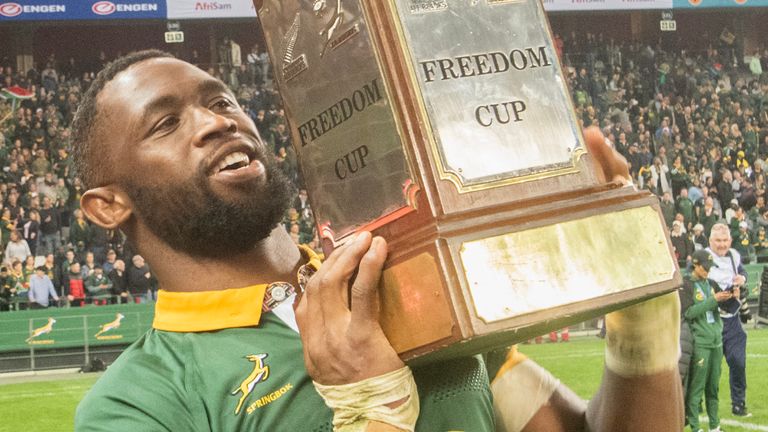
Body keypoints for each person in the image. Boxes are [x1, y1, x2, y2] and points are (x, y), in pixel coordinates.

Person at [73, 51, 683, 431]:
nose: (217, 121)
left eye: (221, 101)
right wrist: (375, 414)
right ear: (108, 205)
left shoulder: (406, 284)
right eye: (166, 122)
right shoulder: (134, 404)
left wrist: (642, 312)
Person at [682, 250, 733, 432]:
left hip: (716, 342)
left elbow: (726, 305)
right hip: (700, 343)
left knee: (713, 388)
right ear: (695, 265)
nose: (708, 271)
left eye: (710, 268)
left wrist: (734, 293)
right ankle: (696, 428)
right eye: (705, 268)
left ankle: (715, 426)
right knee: (696, 389)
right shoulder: (686, 285)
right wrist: (713, 300)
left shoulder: (711, 283)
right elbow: (688, 313)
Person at [706, 223, 752, 417]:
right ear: (710, 241)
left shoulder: (734, 255)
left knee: (738, 361)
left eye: (725, 240)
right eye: (718, 240)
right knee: (706, 370)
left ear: (730, 241)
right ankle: (695, 405)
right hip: (709, 321)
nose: (722, 244)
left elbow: (743, 273)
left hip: (732, 320)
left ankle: (739, 404)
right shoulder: (703, 258)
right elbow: (692, 284)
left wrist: (742, 279)